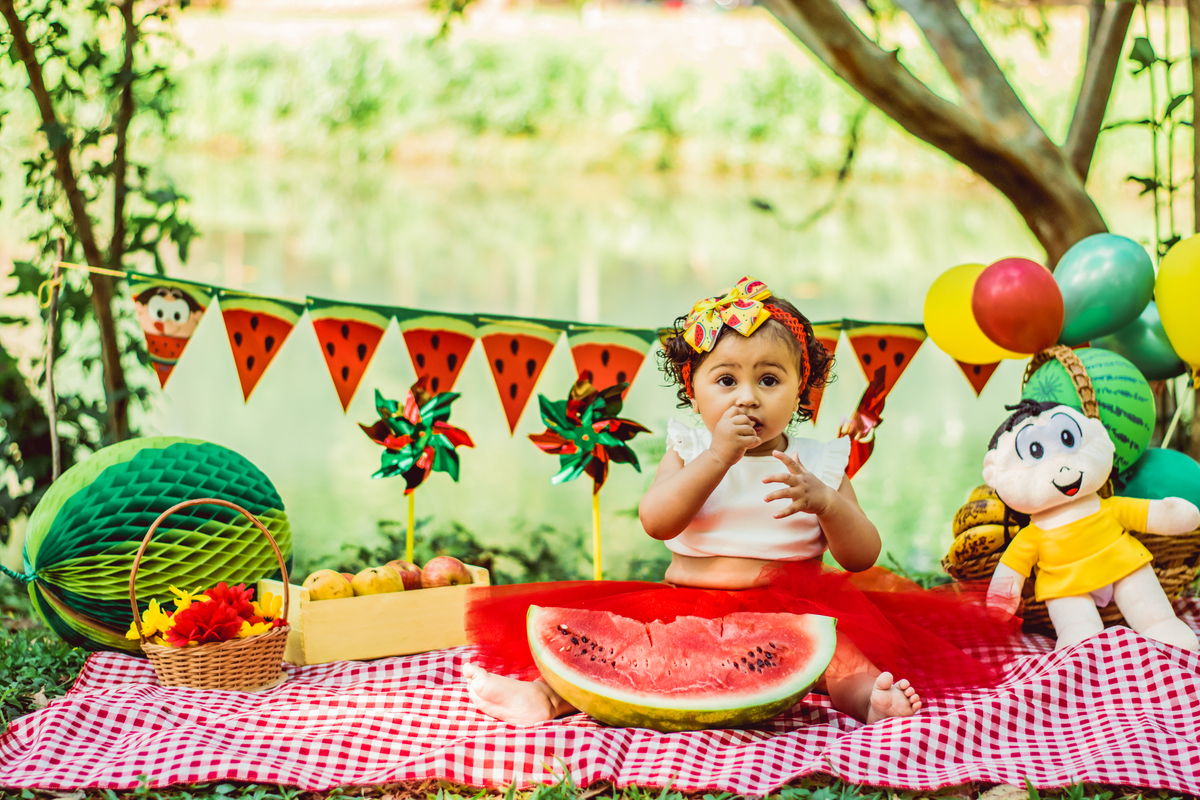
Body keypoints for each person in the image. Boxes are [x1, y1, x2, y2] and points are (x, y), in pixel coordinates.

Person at [463, 277, 1021, 726]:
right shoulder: (689, 447)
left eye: (769, 379)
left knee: (840, 653)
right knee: (624, 656)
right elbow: (658, 521)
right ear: (694, 389)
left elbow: (862, 556)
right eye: (725, 380)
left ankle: (865, 701)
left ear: (802, 389)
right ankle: (547, 698)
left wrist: (828, 503)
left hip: (795, 610)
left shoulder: (820, 460)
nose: (748, 396)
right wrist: (718, 458)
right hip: (685, 601)